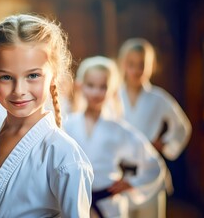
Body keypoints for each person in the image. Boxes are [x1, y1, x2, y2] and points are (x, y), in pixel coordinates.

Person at [0, 14, 94, 218]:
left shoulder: (64, 154)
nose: (19, 90)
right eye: (6, 77)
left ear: (53, 75)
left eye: (33, 75)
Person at [64, 56, 165, 218]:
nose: (96, 92)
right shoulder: (67, 125)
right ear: (80, 86)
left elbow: (154, 165)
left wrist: (131, 183)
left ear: (113, 90)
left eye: (103, 87)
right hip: (76, 203)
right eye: (91, 85)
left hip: (110, 205)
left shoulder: (118, 129)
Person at [117, 38, 192, 218]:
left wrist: (166, 145)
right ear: (123, 65)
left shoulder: (159, 98)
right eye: (131, 64)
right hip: (119, 173)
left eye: (142, 64)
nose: (136, 70)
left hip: (150, 172)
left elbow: (182, 127)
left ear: (150, 66)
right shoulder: (113, 96)